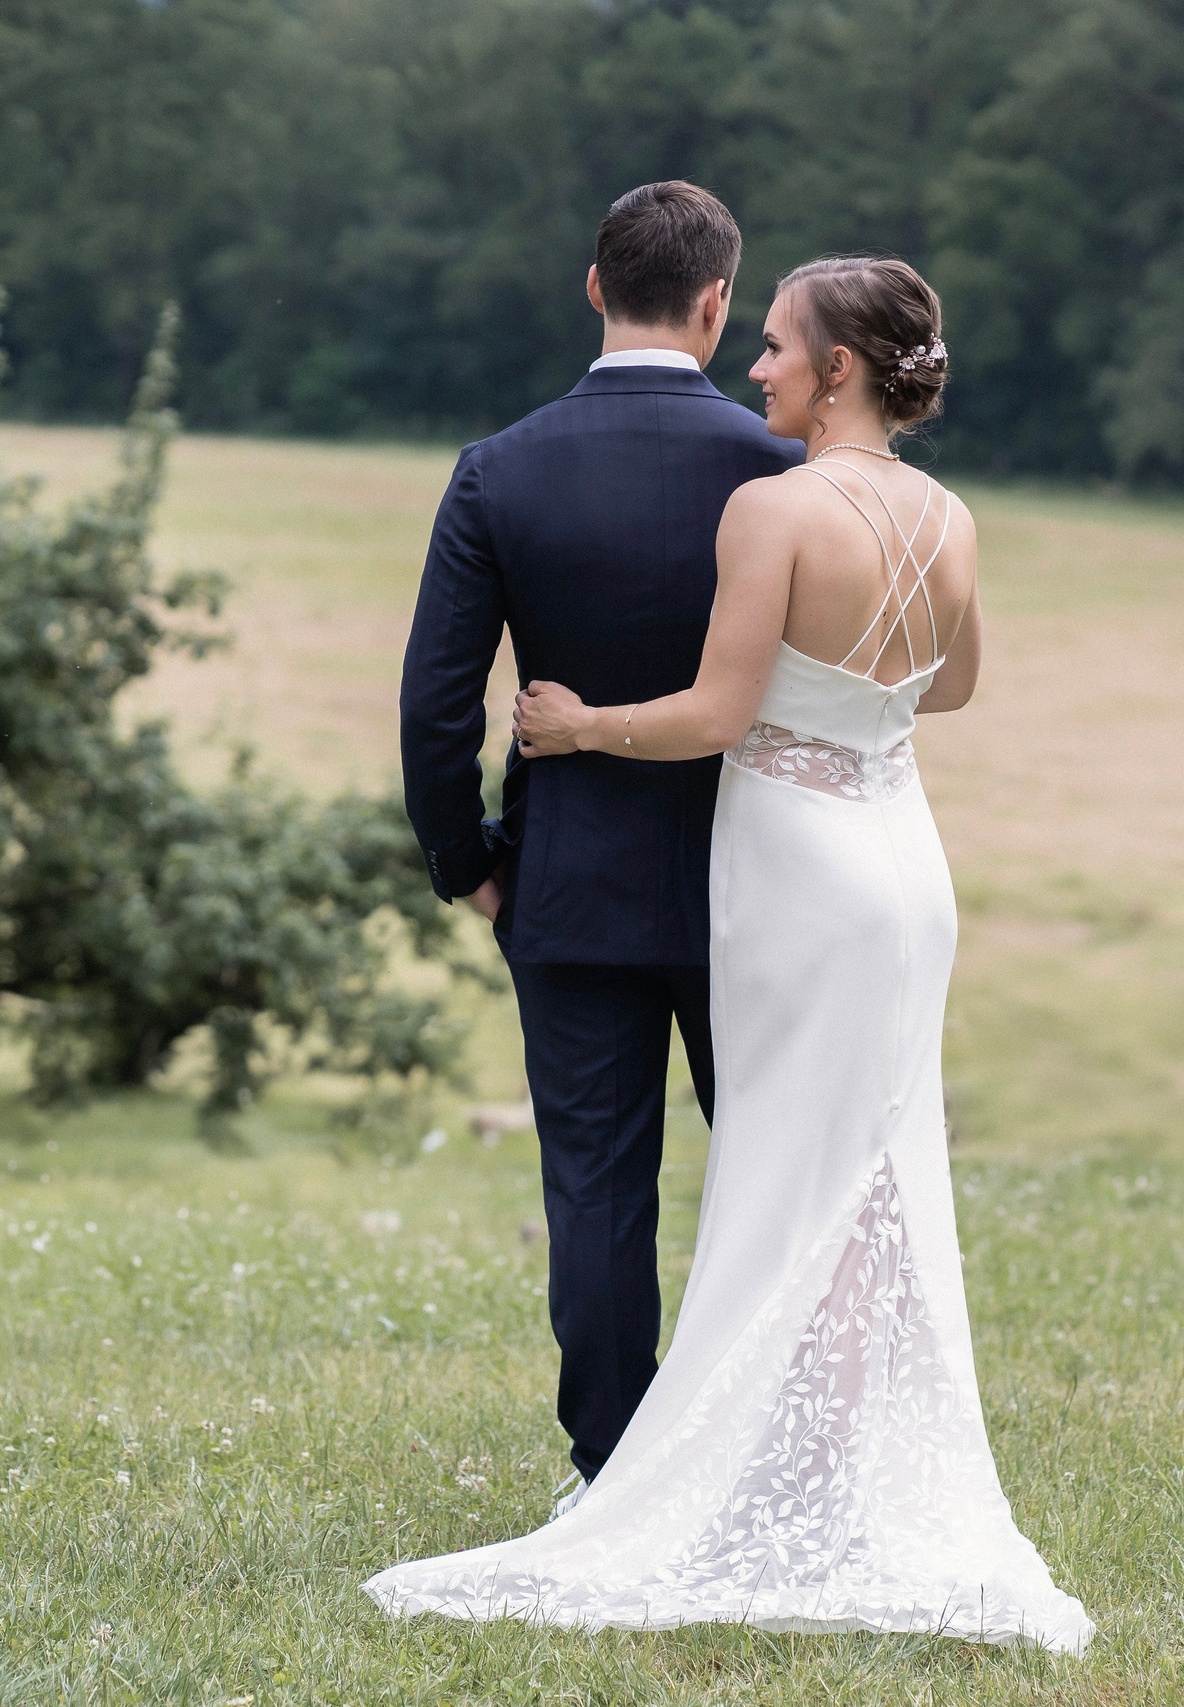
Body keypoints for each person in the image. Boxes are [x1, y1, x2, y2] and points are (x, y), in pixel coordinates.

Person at [370, 243, 1095, 1653]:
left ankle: (640, 1472)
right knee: (862, 1175)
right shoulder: (939, 511)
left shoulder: (733, 500)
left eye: (778, 346)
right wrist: (842, 719)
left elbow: (676, 712)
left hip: (728, 877)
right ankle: (831, 1469)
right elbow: (952, 684)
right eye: (746, 330)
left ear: (835, 365)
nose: (752, 361)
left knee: (667, 1183)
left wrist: (548, 766)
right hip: (894, 859)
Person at [395, 181, 800, 1499]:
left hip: (566, 884)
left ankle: (613, 1475)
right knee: (770, 1174)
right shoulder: (780, 473)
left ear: (592, 289)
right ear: (718, 302)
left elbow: (434, 701)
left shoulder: (498, 469)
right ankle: (763, 1454)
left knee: (598, 1189)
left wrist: (472, 865)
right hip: (756, 884)